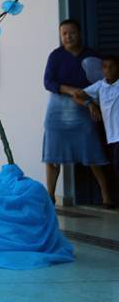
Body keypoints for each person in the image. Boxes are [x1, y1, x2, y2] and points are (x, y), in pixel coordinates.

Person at [42, 20, 111, 206]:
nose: (68, 37)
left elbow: (102, 83)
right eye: (64, 33)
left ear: (79, 33)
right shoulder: (55, 56)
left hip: (84, 107)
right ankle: (50, 196)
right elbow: (48, 82)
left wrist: (90, 102)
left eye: (71, 32)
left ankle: (106, 196)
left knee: (92, 151)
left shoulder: (92, 56)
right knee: (52, 155)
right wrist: (71, 90)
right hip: (57, 110)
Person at [76, 53, 118, 208]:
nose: (108, 70)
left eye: (112, 67)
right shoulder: (100, 86)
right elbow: (77, 95)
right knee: (114, 168)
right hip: (111, 137)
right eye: (105, 67)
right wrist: (90, 105)